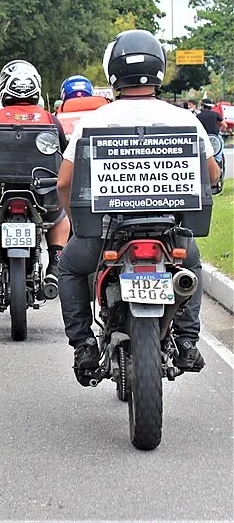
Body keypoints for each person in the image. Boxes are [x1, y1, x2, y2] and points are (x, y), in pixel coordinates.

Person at [56, 29, 221, 374]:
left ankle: (84, 345)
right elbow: (213, 176)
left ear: (113, 71)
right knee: (190, 265)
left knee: (70, 267)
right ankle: (188, 342)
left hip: (106, 236)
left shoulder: (93, 122)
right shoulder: (184, 119)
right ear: (159, 68)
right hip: (168, 234)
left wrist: (76, 223)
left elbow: (65, 182)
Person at [0, 60, 71, 290]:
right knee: (61, 215)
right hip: (41, 193)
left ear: (4, 88)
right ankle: (55, 265)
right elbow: (63, 155)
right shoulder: (50, 119)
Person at [197, 98, 226, 164]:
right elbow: (225, 125)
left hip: (204, 137)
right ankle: (218, 160)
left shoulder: (198, 116)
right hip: (215, 137)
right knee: (221, 145)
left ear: (203, 106)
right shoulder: (215, 114)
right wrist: (221, 130)